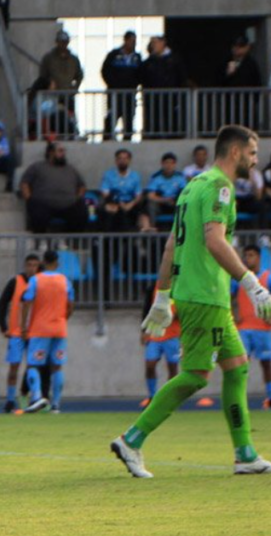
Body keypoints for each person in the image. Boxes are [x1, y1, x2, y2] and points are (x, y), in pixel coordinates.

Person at [115, 125, 271, 478]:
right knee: (196, 376)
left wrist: (163, 296)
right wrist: (250, 282)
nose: (255, 159)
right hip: (206, 296)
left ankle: (245, 452)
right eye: (252, 152)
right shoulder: (220, 187)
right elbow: (215, 241)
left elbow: (172, 245)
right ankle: (132, 439)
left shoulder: (191, 187)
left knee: (237, 366)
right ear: (235, 152)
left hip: (195, 293)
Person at [20, 249, 73, 413]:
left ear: (43, 262)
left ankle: (36, 397)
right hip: (59, 328)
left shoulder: (36, 280)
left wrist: (23, 326)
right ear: (57, 263)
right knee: (57, 367)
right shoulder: (65, 281)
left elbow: (26, 302)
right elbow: (70, 305)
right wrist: (63, 318)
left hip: (40, 328)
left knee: (33, 365)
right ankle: (56, 404)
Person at [0, 254, 41, 413]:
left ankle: (35, 399)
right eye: (29, 265)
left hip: (35, 333)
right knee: (14, 367)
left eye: (35, 265)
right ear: (25, 266)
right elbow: (2, 303)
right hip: (16, 333)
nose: (32, 268)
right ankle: (10, 399)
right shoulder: (15, 282)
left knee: (32, 366)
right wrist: (3, 326)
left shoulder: (41, 282)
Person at [19, 142, 89, 234]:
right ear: (51, 153)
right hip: (43, 204)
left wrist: (78, 197)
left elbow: (81, 185)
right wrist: (29, 198)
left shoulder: (71, 169)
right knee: (36, 212)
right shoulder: (37, 167)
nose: (63, 153)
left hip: (69, 205)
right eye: (60, 151)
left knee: (81, 212)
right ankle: (41, 241)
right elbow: (25, 183)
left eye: (64, 151)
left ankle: (70, 242)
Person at [234, 246, 271, 410]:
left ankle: (269, 397)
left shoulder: (267, 277)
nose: (247, 259)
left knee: (267, 364)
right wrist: (233, 313)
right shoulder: (239, 278)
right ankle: (239, 398)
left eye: (251, 255)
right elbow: (228, 297)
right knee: (241, 365)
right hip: (243, 328)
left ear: (258, 257)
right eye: (246, 255)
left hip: (263, 328)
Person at [140, 283, 180, 408]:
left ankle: (170, 398)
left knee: (172, 367)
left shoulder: (179, 287)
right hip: (155, 333)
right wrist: (144, 331)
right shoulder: (153, 287)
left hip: (173, 334)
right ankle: (152, 396)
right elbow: (147, 309)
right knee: (150, 364)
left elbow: (184, 310)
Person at [140, 36, 188, 139]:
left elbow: (181, 77)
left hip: (171, 97)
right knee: (154, 118)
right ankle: (154, 136)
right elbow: (142, 77)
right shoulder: (148, 61)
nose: (153, 45)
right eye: (152, 43)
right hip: (153, 98)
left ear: (163, 43)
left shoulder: (174, 59)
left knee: (171, 117)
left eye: (155, 43)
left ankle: (174, 136)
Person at [101, 31, 141, 141]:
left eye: (135, 42)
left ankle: (127, 139)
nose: (133, 44)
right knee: (112, 115)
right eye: (131, 41)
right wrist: (114, 84)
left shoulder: (137, 57)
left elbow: (140, 74)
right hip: (115, 93)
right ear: (126, 40)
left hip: (130, 94)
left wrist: (134, 85)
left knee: (129, 117)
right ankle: (107, 138)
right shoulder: (113, 55)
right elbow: (105, 71)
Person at [100, 148, 144, 232]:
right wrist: (119, 204)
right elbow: (105, 193)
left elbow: (138, 194)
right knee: (108, 212)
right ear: (116, 161)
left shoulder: (135, 175)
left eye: (125, 158)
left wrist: (130, 204)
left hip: (130, 203)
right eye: (120, 158)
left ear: (129, 160)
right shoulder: (108, 175)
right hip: (113, 202)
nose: (122, 161)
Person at [146, 152, 188, 228]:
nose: (169, 166)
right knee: (151, 204)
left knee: (184, 204)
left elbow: (185, 193)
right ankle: (152, 229)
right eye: (166, 163)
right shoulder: (156, 177)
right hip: (161, 204)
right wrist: (165, 200)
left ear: (175, 165)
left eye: (171, 163)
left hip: (175, 203)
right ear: (162, 164)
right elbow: (150, 196)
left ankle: (181, 230)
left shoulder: (180, 177)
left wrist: (175, 200)